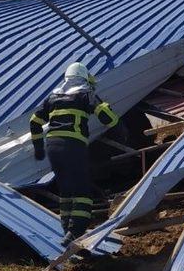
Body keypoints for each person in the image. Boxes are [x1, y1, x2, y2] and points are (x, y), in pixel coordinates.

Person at [29, 62, 122, 244]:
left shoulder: (53, 97)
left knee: (66, 190)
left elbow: (34, 121)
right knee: (82, 191)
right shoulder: (85, 94)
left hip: (52, 148)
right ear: (84, 78)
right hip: (73, 145)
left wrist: (39, 149)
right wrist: (120, 130)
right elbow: (106, 114)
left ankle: (67, 233)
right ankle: (76, 232)